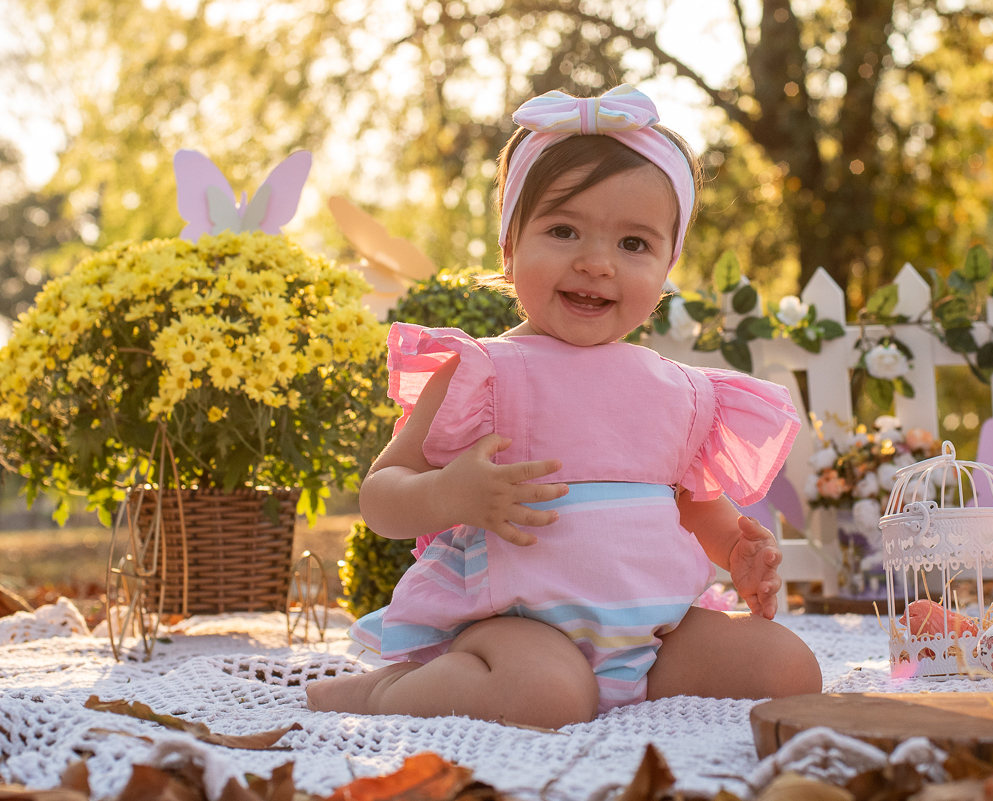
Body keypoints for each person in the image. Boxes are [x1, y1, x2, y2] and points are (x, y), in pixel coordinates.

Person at [306, 85, 822, 726]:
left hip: (652, 635)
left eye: (634, 244)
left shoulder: (682, 392)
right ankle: (376, 692)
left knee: (788, 668)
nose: (596, 263)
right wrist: (451, 495)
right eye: (563, 230)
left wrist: (736, 553)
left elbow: (694, 506)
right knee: (545, 695)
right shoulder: (485, 373)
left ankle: (628, 694)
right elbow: (382, 494)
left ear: (667, 265)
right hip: (517, 626)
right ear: (510, 246)